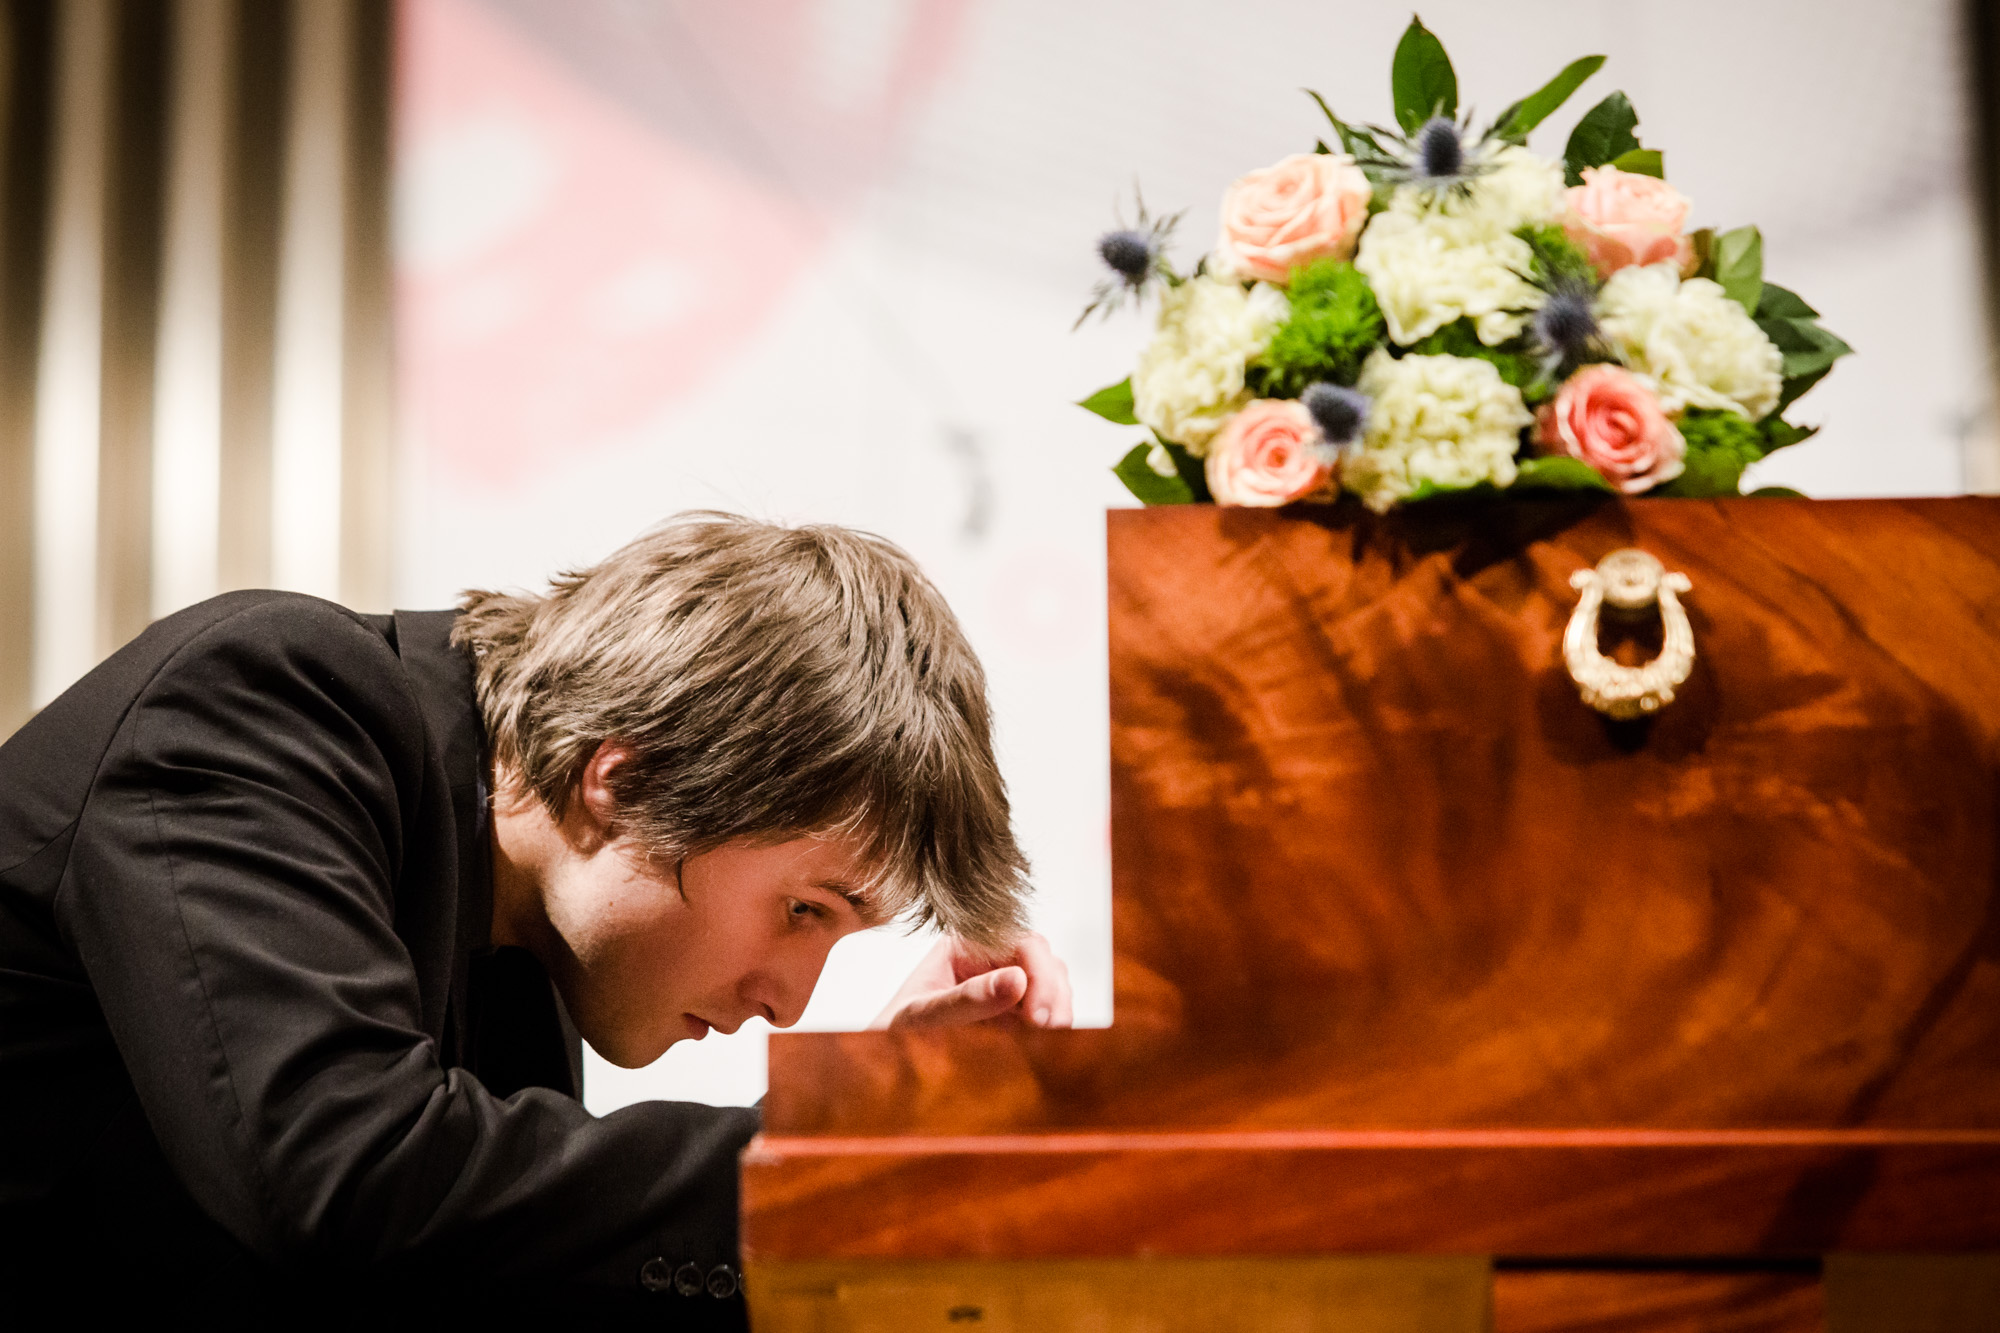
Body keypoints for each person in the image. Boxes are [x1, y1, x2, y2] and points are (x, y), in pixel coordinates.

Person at [0, 513, 1071, 1326]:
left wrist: (873, 1112)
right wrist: (838, 1163)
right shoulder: (268, 699)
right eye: (802, 908)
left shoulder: (526, 943)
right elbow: (340, 1177)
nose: (789, 1002)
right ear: (623, 781)